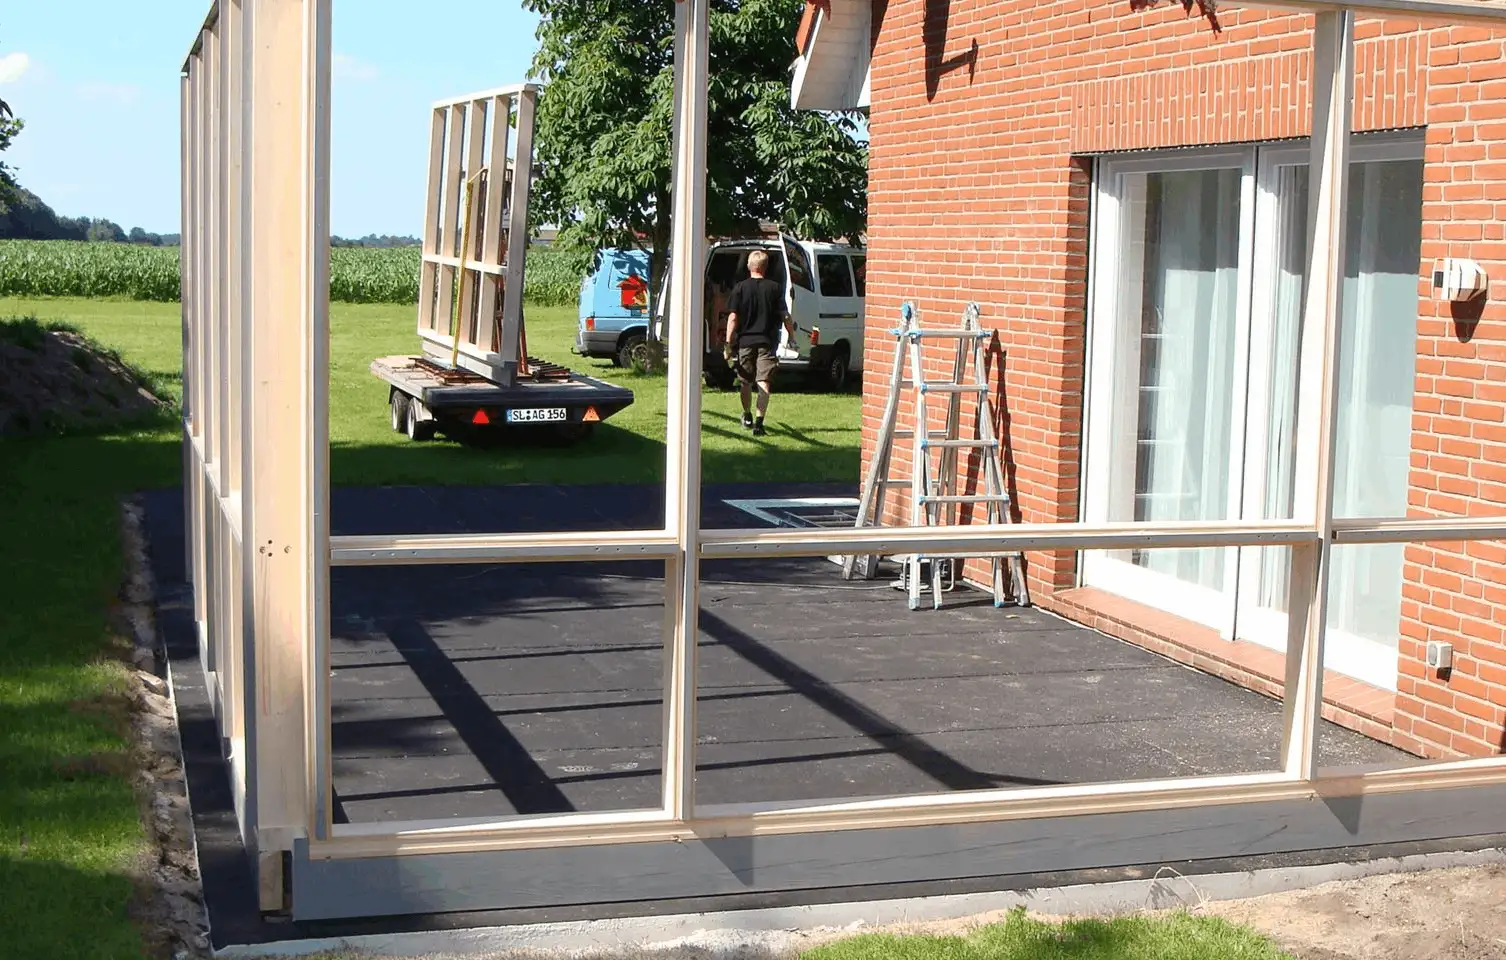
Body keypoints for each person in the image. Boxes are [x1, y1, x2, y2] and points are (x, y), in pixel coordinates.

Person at [722, 249, 796, 436]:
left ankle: (747, 415)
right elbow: (785, 315)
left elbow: (732, 318)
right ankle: (759, 423)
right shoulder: (775, 288)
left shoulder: (739, 288)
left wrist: (728, 344)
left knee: (745, 382)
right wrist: (792, 336)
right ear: (766, 267)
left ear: (749, 266)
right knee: (764, 382)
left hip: (745, 341)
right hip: (766, 342)